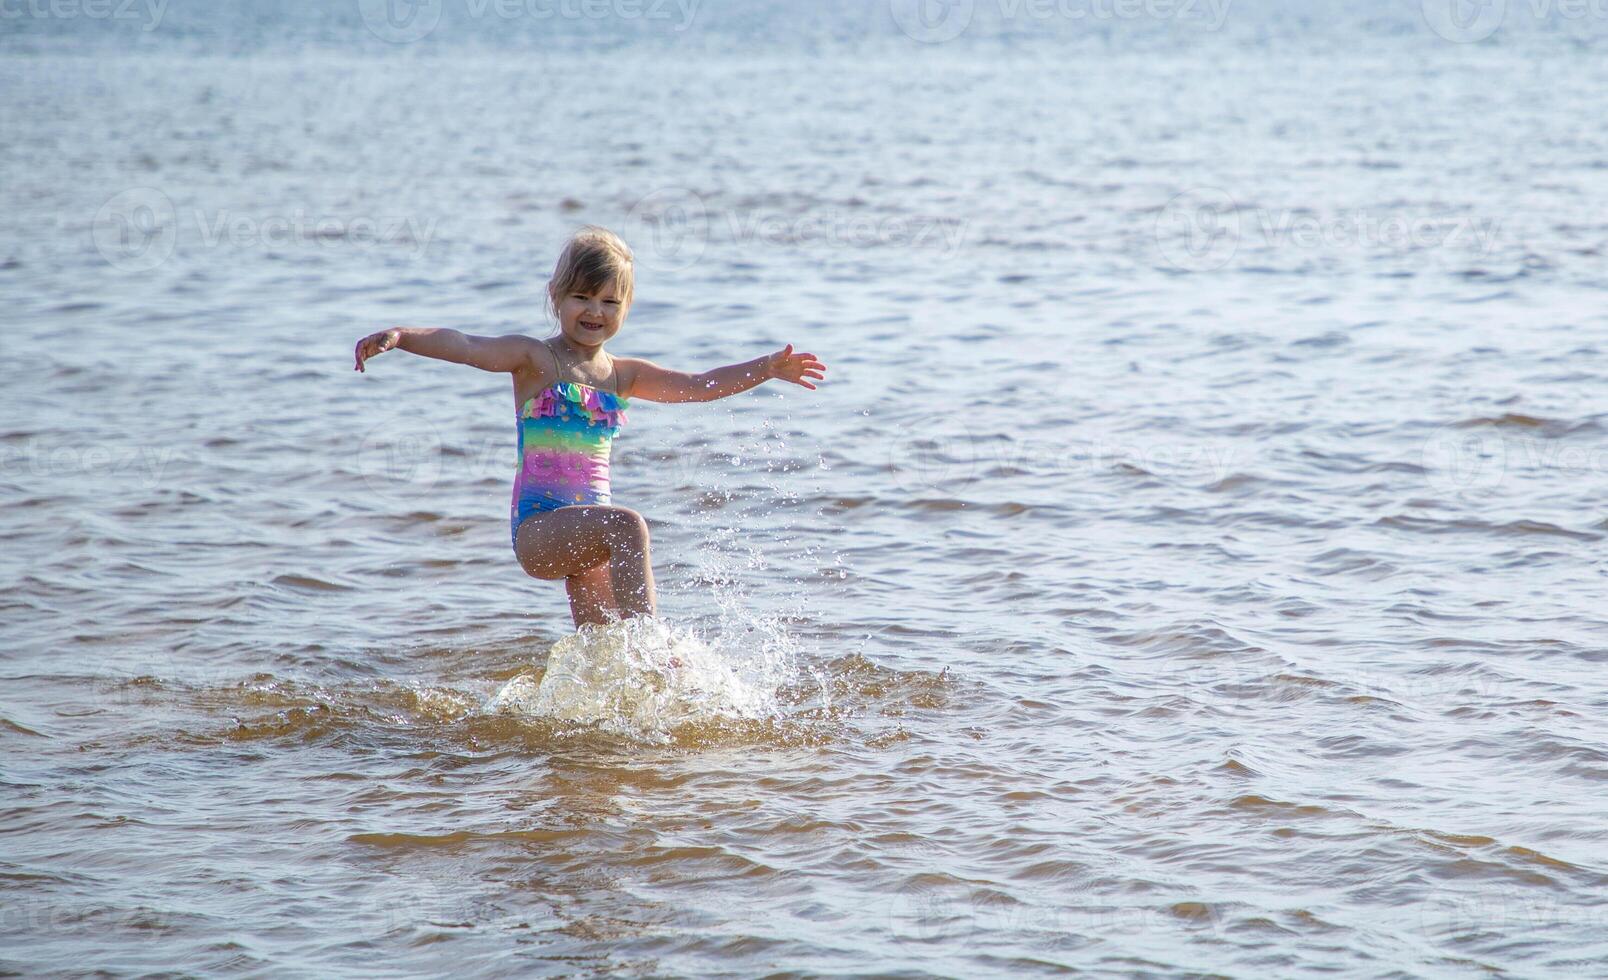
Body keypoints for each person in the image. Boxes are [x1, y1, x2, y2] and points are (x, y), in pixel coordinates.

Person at [352, 226, 827, 629]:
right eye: (581, 297)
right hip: (540, 531)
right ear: (556, 296)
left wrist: (764, 368)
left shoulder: (623, 374)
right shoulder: (534, 359)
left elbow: (699, 385)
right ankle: (652, 641)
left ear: (625, 308)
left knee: (604, 653)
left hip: (590, 538)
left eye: (609, 301)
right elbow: (467, 344)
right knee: (629, 526)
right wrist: (402, 337)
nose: (594, 311)